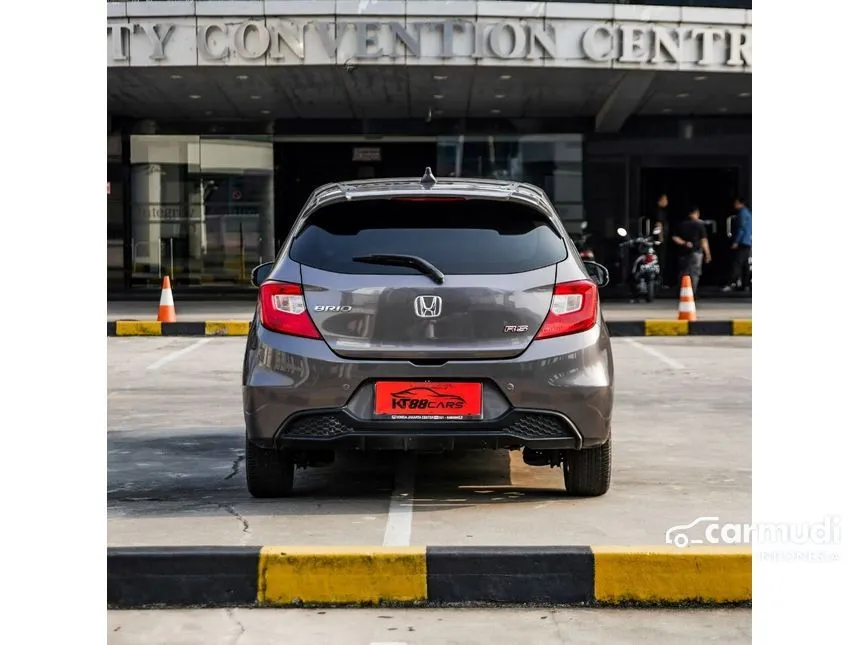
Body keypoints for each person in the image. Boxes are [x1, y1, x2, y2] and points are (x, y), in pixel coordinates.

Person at [671, 206, 711, 295]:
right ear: (695, 214)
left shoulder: (681, 224)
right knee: (695, 273)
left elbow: (674, 237)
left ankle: (681, 292)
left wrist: (684, 243)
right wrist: (708, 254)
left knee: (683, 272)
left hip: (683, 252)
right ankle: (692, 292)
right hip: (696, 252)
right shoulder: (700, 225)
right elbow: (704, 240)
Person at [722, 197, 752, 292]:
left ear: (740, 203)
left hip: (742, 242)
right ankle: (746, 284)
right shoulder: (748, 213)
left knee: (737, 263)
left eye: (736, 203)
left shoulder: (742, 214)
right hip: (748, 241)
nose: (734, 205)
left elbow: (741, 229)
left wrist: (736, 241)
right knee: (745, 264)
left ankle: (732, 283)